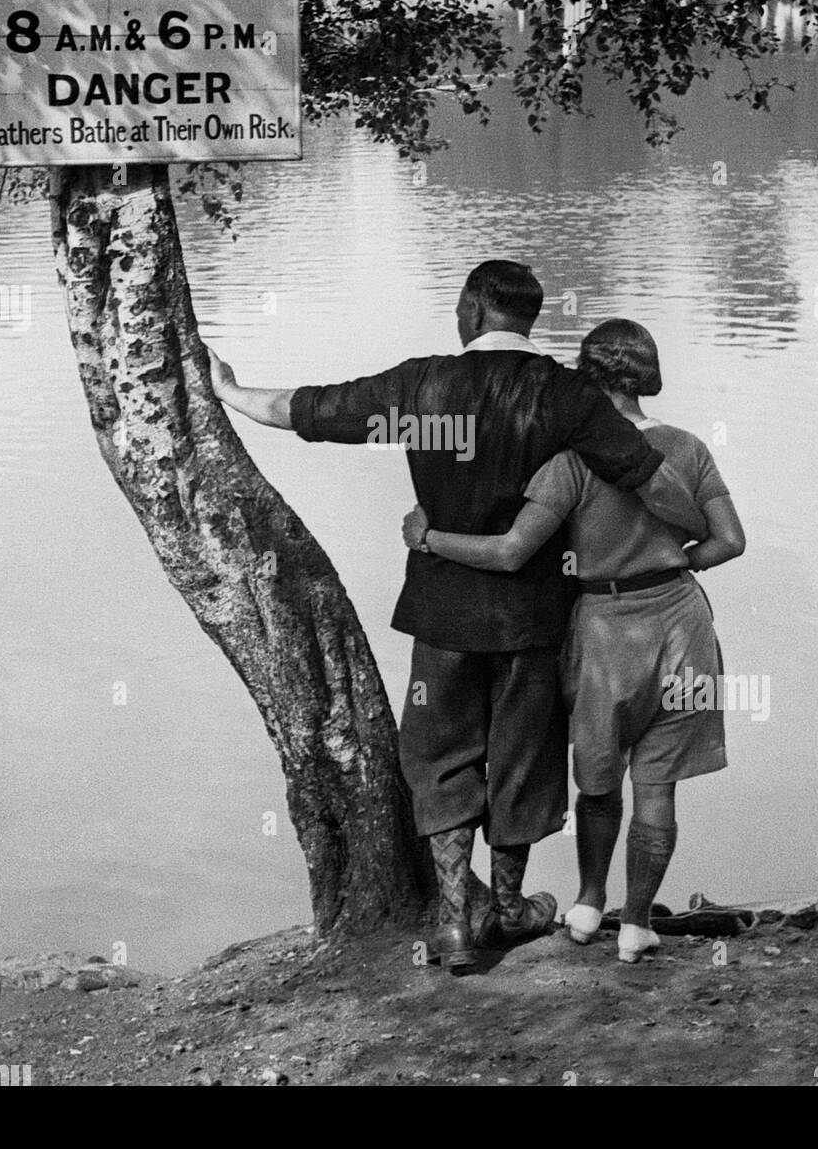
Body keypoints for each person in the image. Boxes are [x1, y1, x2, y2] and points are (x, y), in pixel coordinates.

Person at [205, 263, 709, 973]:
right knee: (523, 756)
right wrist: (691, 544)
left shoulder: (423, 389)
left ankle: (450, 921)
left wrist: (227, 391)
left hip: (443, 612)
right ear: (530, 318)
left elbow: (312, 411)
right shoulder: (566, 396)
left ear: (473, 310)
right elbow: (648, 478)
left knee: (441, 755)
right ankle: (505, 908)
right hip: (534, 616)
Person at [403, 320, 744, 964]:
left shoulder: (570, 462)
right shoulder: (689, 448)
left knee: (598, 782)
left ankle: (588, 907)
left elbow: (510, 552)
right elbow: (730, 541)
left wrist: (428, 539)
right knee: (659, 783)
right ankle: (637, 924)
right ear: (646, 376)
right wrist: (672, 561)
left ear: (584, 381)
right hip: (682, 623)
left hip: (603, 631)